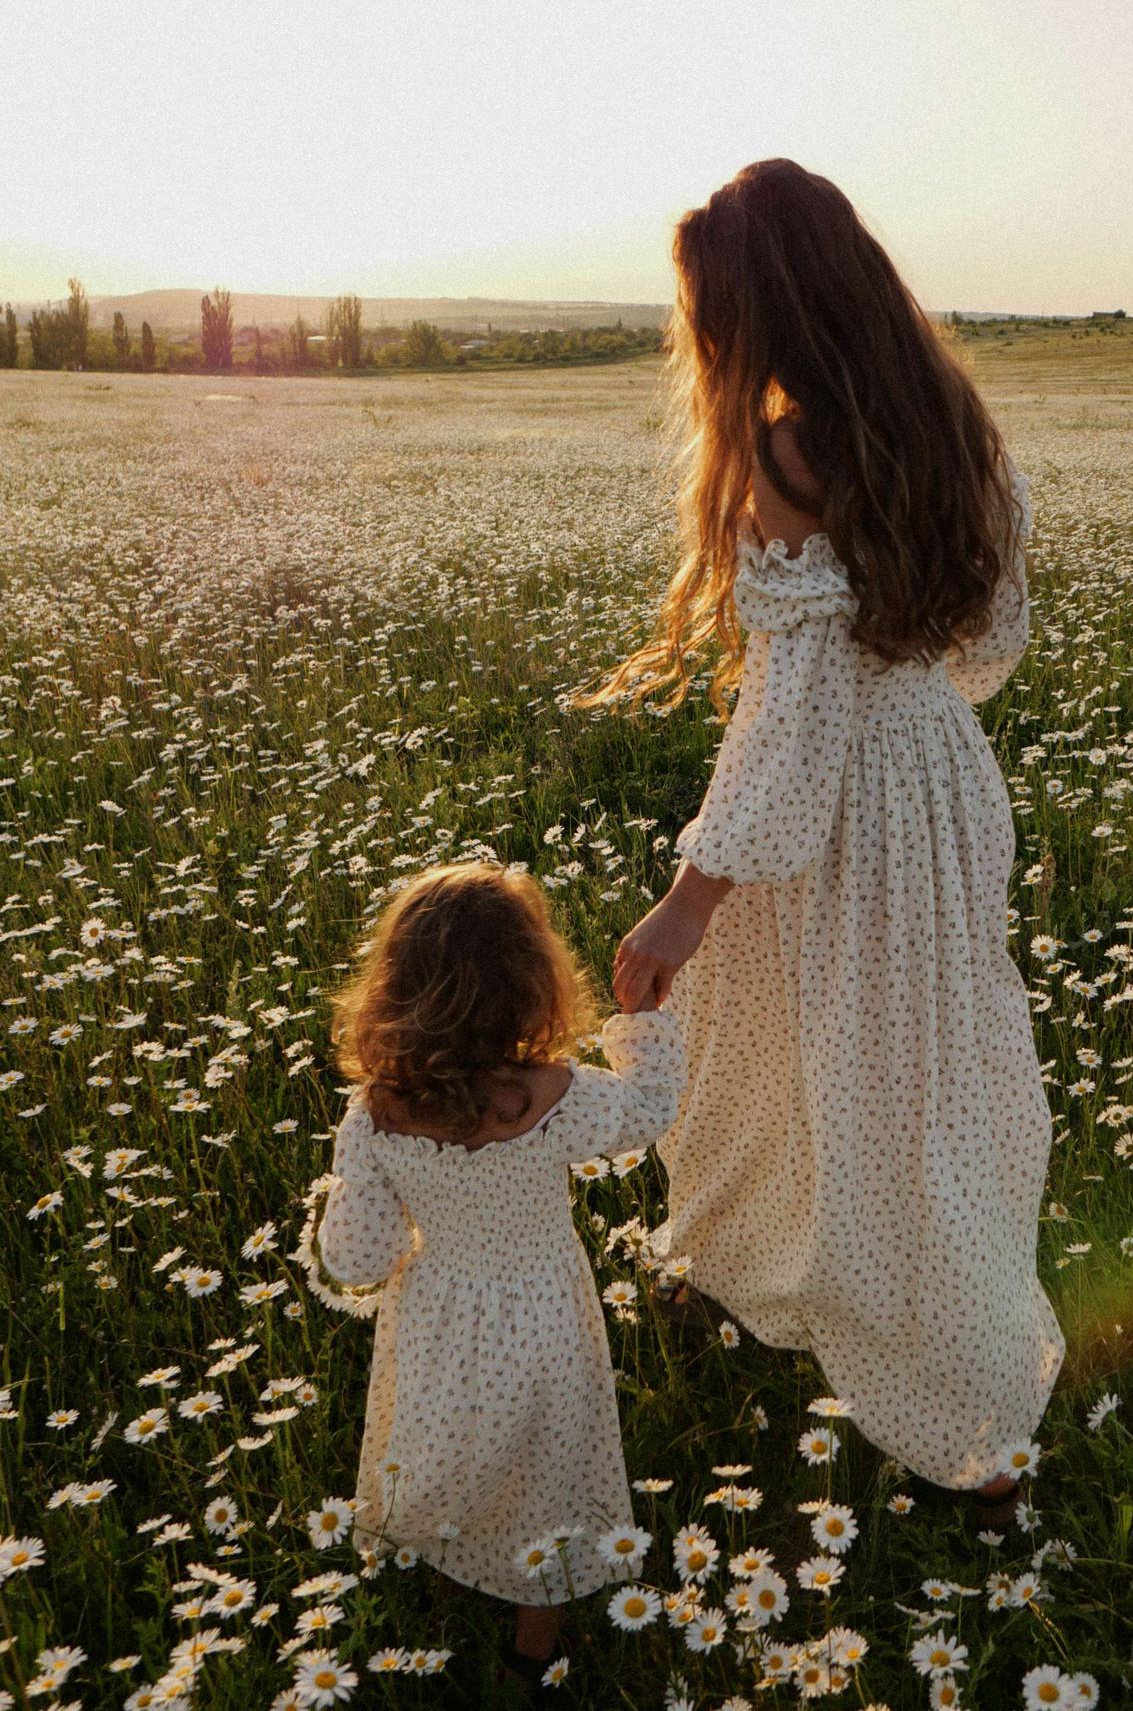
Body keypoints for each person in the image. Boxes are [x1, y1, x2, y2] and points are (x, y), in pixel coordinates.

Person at [584, 157, 1065, 1524]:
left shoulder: (791, 451)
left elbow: (791, 733)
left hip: (842, 818)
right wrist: (903, 705)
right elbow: (984, 643)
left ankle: (936, 1400)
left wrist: (685, 902)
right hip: (941, 784)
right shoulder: (949, 415)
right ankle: (797, 1296)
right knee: (924, 1080)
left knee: (788, 1054)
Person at [315, 860, 685, 1696]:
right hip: (547, 1314)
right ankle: (533, 1646)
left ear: (396, 989)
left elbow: (358, 1260)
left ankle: (449, 1542)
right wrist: (642, 1022)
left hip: (439, 1314)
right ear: (532, 983)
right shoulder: (551, 1095)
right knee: (547, 1469)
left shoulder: (375, 1113)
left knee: (451, 1433)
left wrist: (335, 1218)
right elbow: (650, 1108)